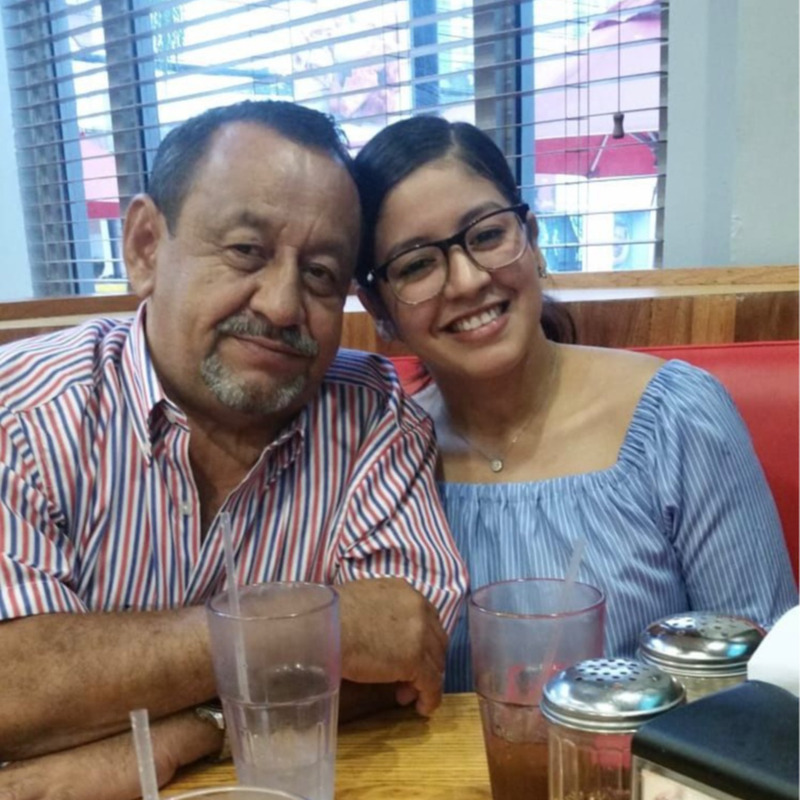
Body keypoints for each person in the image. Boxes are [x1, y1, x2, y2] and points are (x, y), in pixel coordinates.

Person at [0, 101, 467, 797]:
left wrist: (189, 734)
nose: (282, 306)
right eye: (246, 251)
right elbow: (11, 690)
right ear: (146, 246)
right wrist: (304, 630)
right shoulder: (21, 415)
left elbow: (403, 657)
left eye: (320, 274)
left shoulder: (375, 417)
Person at [352, 115, 796, 693]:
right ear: (378, 307)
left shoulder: (677, 416)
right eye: (417, 265)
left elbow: (765, 680)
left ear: (532, 240)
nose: (466, 281)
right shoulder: (380, 462)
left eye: (486, 236)